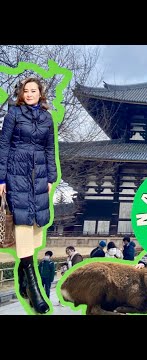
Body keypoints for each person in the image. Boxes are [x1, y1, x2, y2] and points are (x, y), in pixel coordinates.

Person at [0, 77, 58, 314]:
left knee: (35, 230)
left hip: (41, 174)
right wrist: (1, 178)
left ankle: (24, 283)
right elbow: (3, 145)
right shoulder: (13, 114)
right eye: (26, 90)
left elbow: (49, 147)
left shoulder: (47, 118)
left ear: (40, 93)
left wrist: (52, 178)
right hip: (17, 171)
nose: (30, 93)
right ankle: (35, 293)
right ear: (21, 94)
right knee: (23, 227)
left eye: (34, 90)